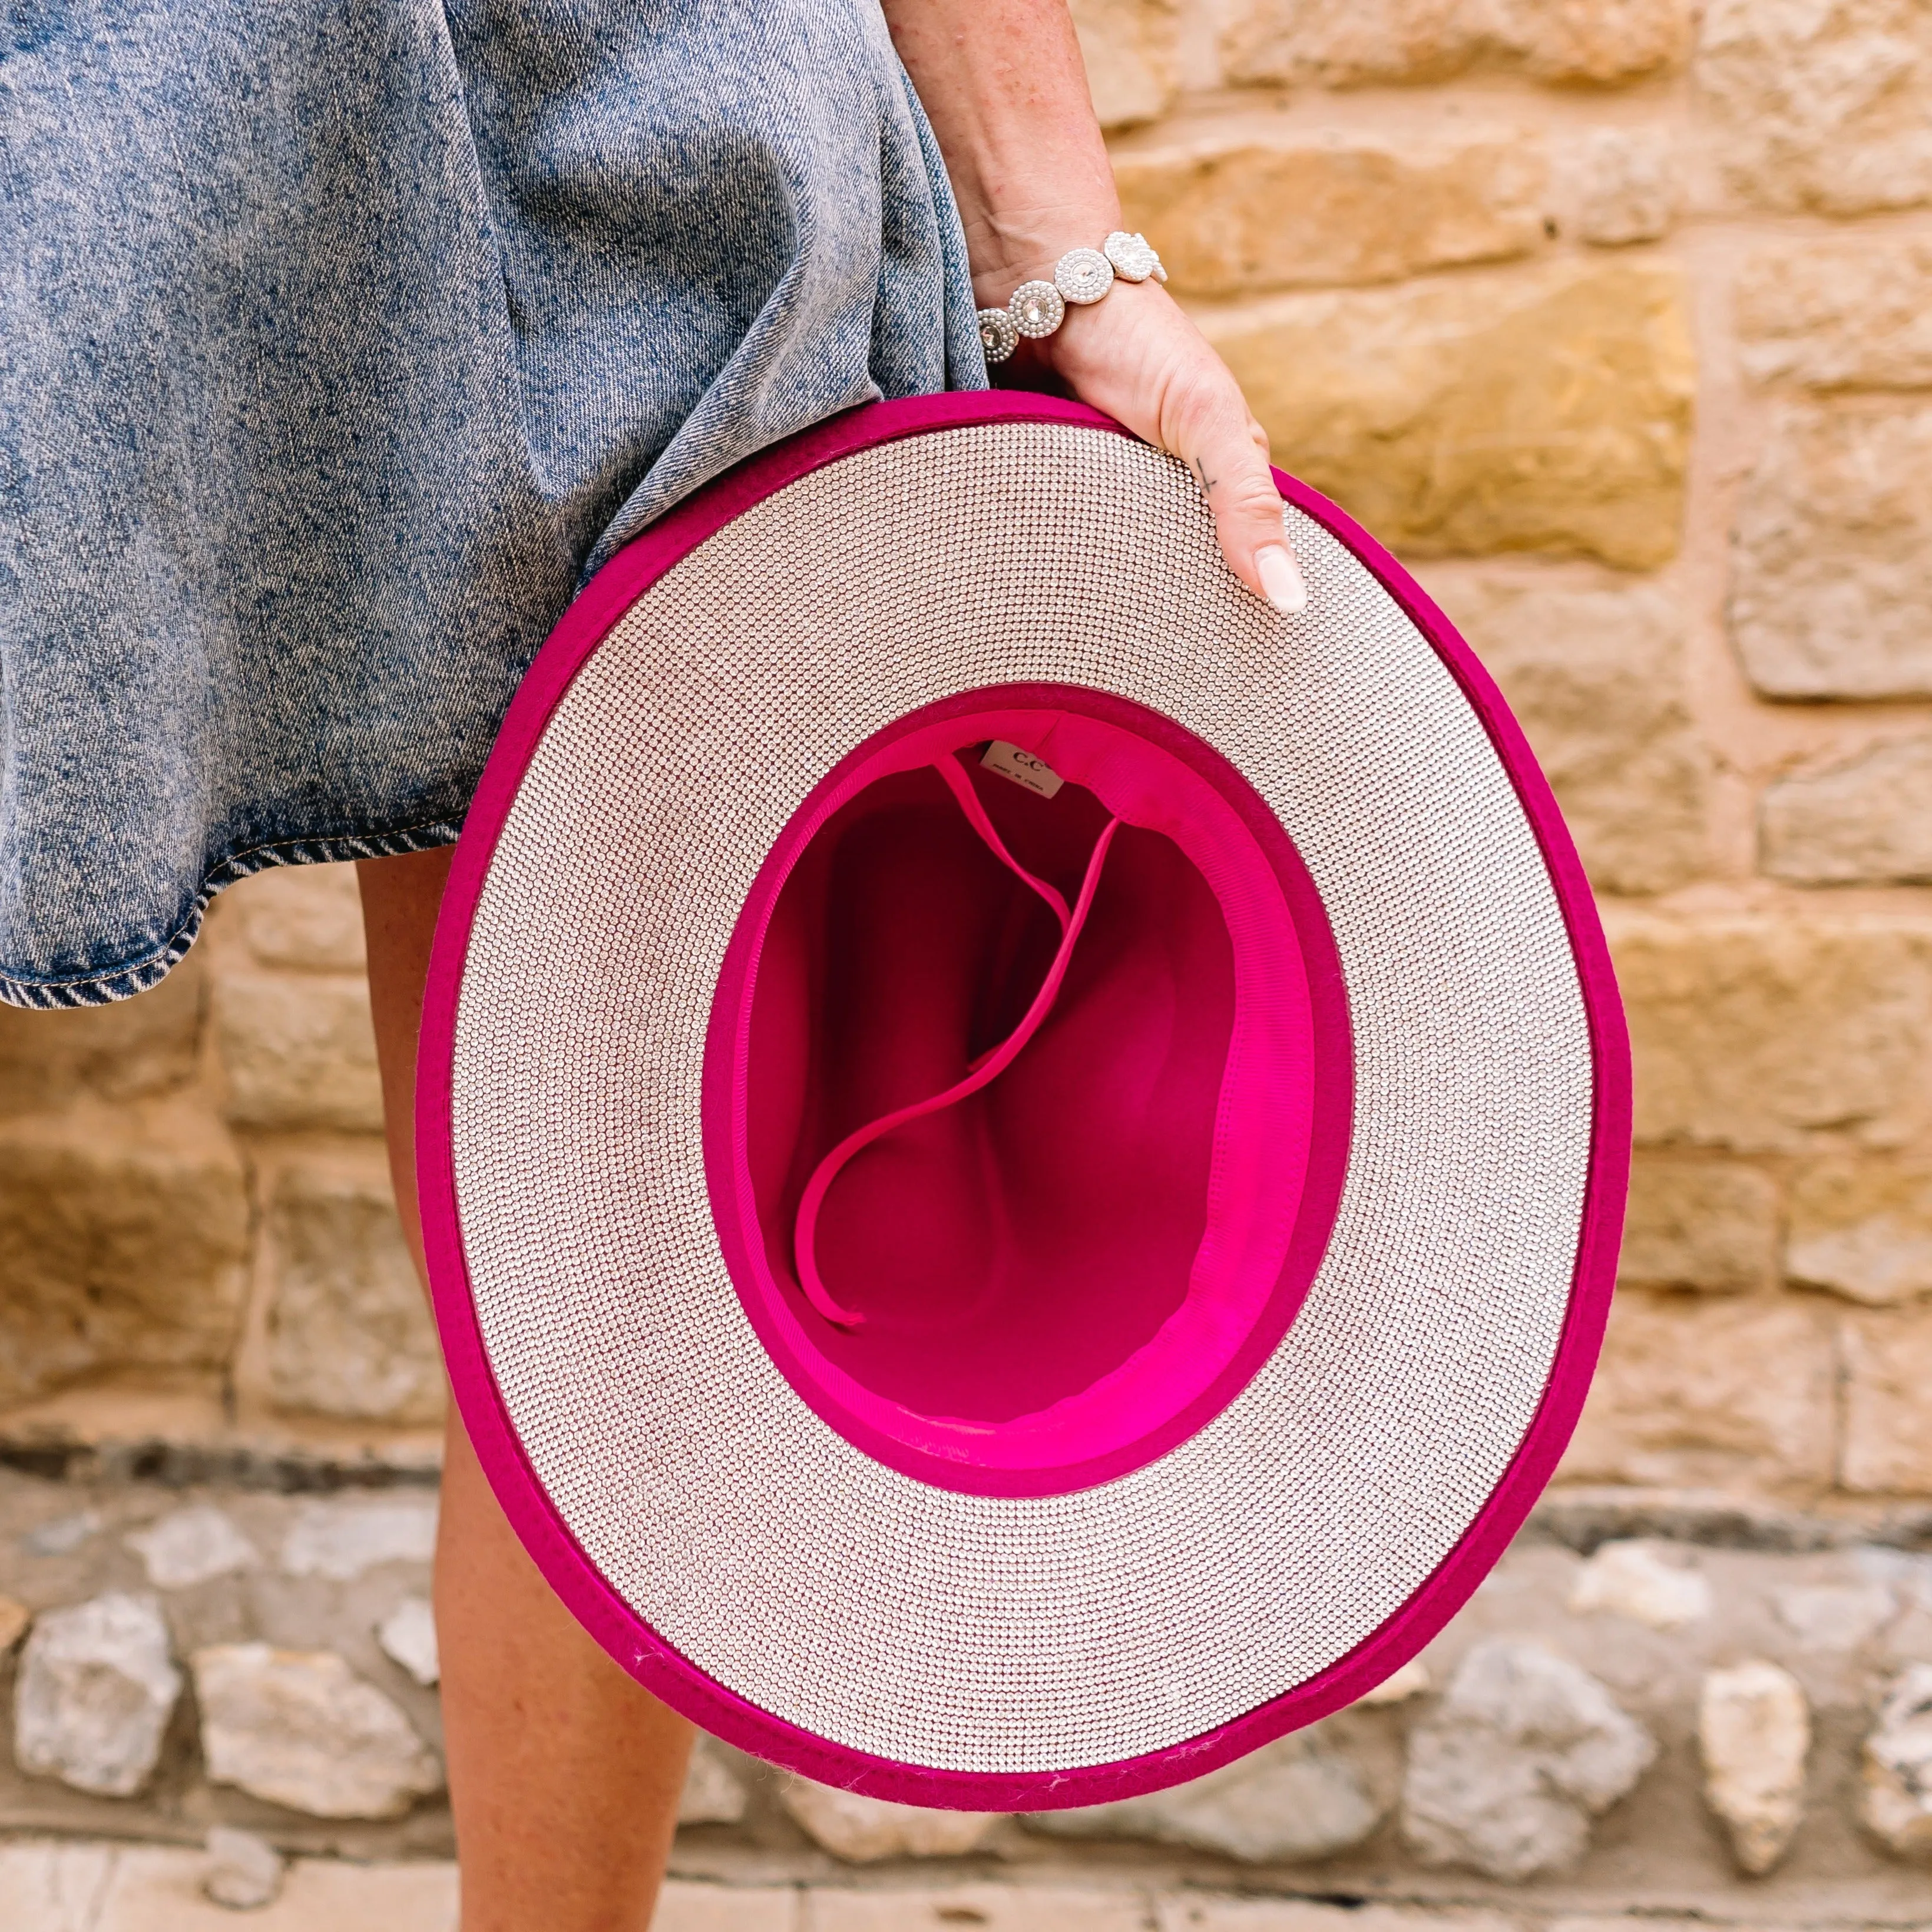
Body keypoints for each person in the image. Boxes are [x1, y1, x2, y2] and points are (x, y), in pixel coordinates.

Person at [5, 3, 1303, 1924]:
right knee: (598, 1263)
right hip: (263, 95)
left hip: (606, 114)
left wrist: (1062, 255)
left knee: (598, 1262)